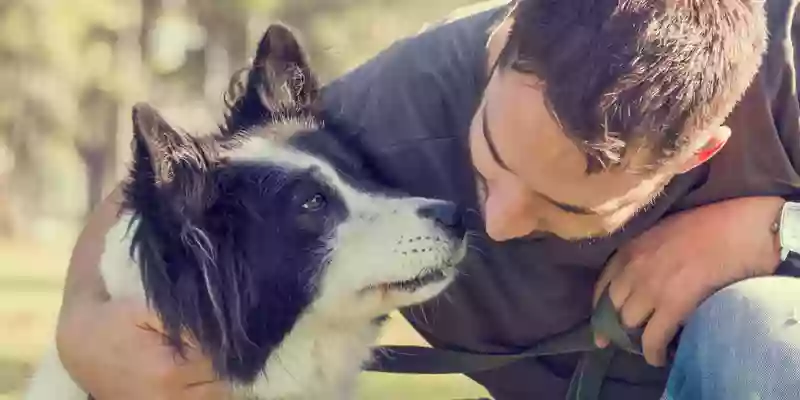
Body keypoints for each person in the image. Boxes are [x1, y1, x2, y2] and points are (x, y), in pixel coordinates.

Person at [55, 0, 800, 399]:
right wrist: (81, 331)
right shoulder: (393, 106)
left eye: (562, 208)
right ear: (504, 39)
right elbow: (170, 189)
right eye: (489, 163)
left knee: (757, 330)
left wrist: (774, 227)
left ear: (700, 151)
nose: (497, 224)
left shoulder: (787, 60)